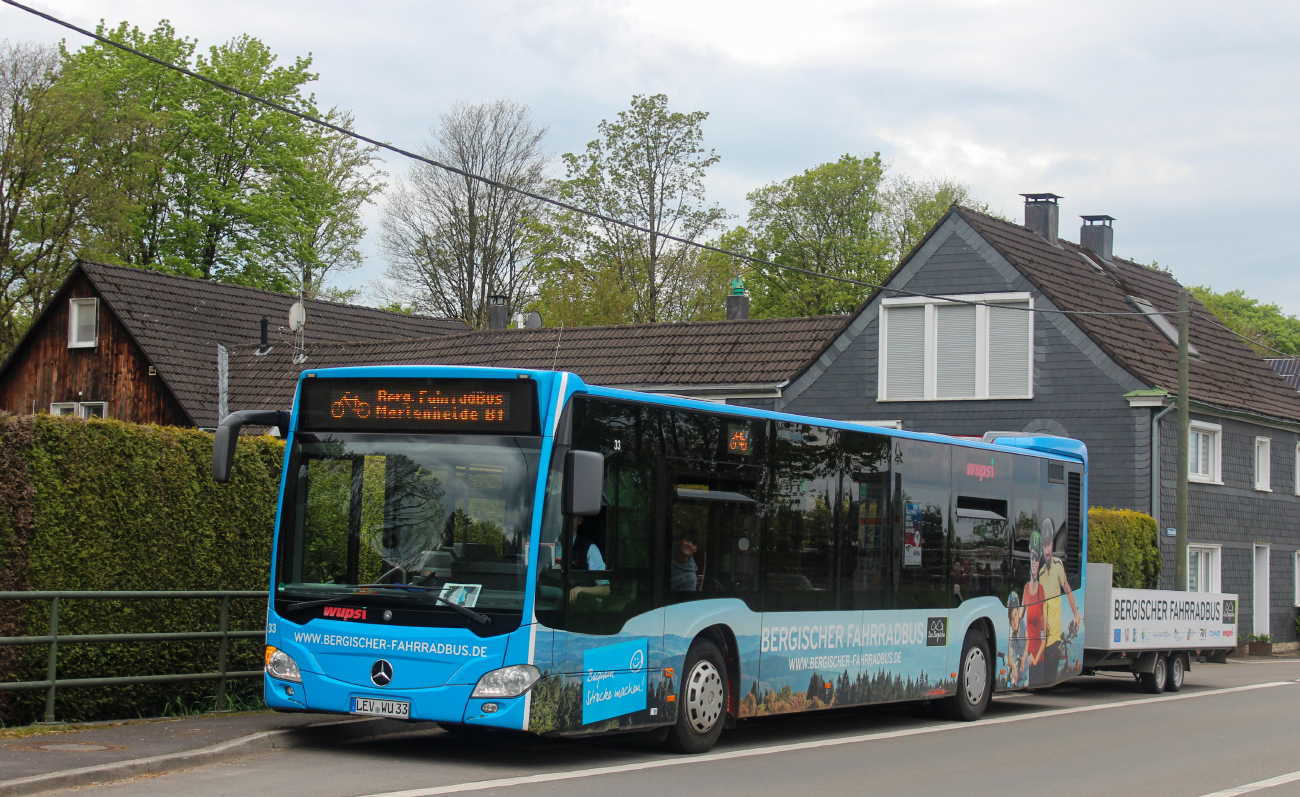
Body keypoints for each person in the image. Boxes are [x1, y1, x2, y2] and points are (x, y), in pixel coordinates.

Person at [1038, 518, 1082, 682]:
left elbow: (1068, 589)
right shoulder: (1040, 574)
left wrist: (1076, 614)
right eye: (1045, 546)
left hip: (1055, 637)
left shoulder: (1057, 565)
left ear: (1052, 545)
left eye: (1049, 545)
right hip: (1044, 636)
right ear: (1042, 547)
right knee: (1043, 676)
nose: (1047, 550)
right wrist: (1043, 620)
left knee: (1050, 675)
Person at [1022, 531, 1046, 686]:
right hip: (1028, 656)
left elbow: (1045, 635)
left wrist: (1036, 659)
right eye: (1032, 557)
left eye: (1037, 558)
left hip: (1039, 659)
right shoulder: (1025, 589)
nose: (1034, 561)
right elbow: (1019, 623)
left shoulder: (1042, 591)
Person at [567, 516, 610, 602]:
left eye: (573, 516)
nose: (566, 518)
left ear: (580, 520)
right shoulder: (547, 546)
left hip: (581, 609)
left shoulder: (589, 548)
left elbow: (605, 590)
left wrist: (581, 590)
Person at [1006, 592, 1027, 688]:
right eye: (1012, 619)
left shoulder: (1022, 624)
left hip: (1025, 666)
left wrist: (1023, 660)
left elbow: (1028, 640)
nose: (1014, 622)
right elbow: (1009, 656)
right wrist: (1014, 668)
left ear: (1018, 612)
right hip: (1019, 670)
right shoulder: (1012, 635)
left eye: (1016, 616)